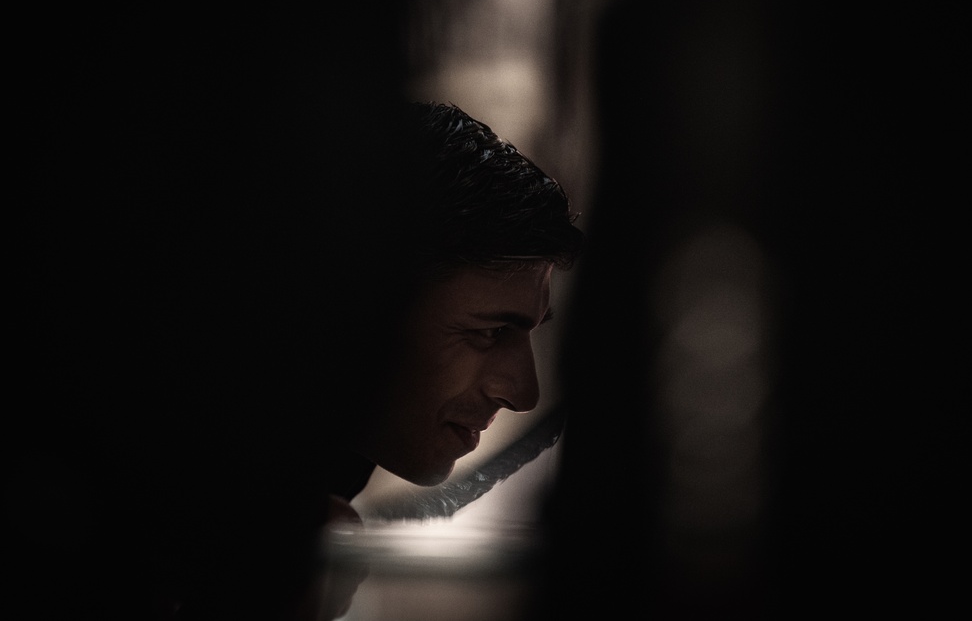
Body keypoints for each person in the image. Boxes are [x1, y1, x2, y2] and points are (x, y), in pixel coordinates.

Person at [8, 99, 583, 621]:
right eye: (490, 333)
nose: (524, 391)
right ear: (357, 306)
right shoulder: (116, 496)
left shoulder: (283, 473)